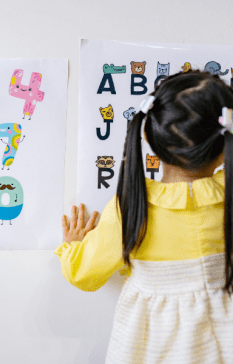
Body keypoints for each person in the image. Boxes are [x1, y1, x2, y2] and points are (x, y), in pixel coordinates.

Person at [54, 70, 233, 363]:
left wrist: (72, 247)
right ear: (225, 145)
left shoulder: (132, 205)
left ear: (148, 136)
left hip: (152, 343)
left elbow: (82, 274)